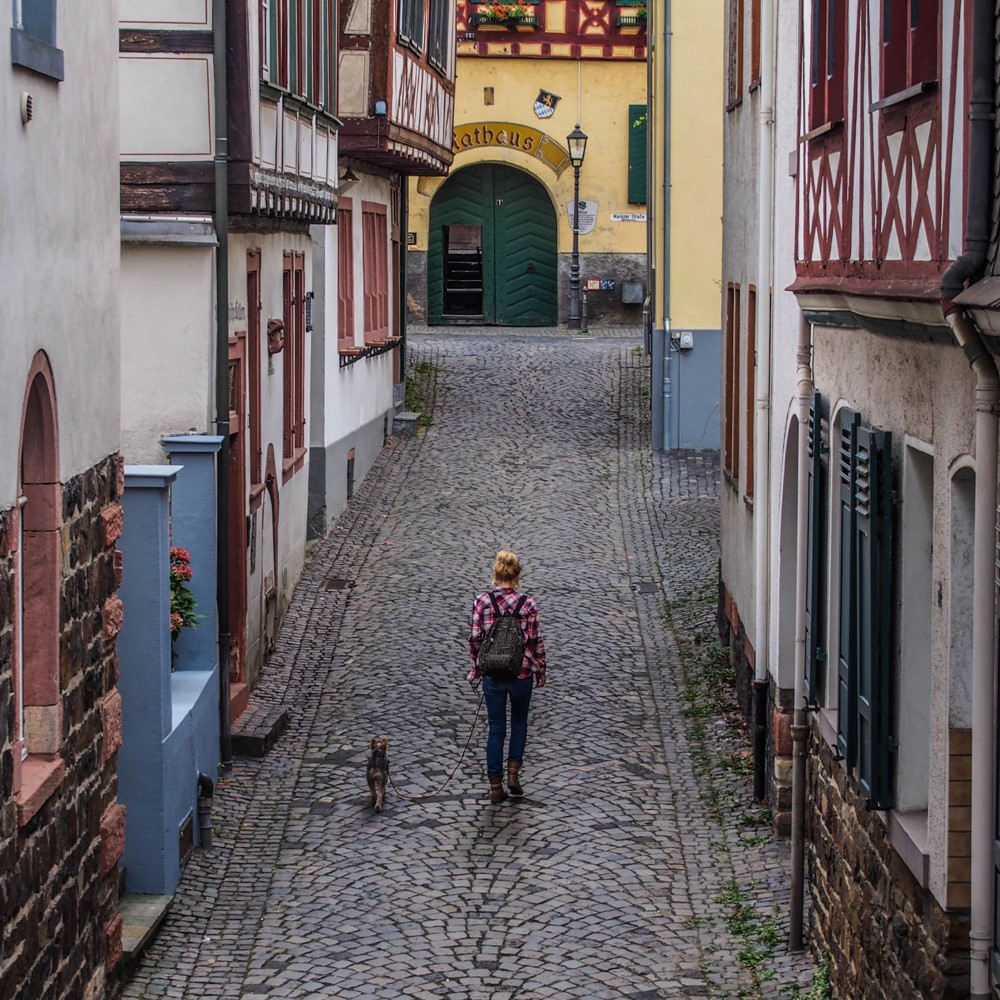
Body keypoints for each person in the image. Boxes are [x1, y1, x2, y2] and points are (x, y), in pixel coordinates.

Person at [467, 550, 546, 804]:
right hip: (521, 672)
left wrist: (479, 666)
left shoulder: (482, 601)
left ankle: (495, 787)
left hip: (493, 673)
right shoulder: (528, 604)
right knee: (519, 722)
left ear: (496, 573)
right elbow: (535, 641)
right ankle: (513, 774)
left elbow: (475, 638)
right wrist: (540, 668)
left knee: (496, 729)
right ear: (517, 575)